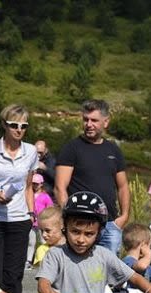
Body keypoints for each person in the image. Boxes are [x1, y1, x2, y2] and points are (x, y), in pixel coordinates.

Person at [54, 99, 130, 254]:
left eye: (94, 120)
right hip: (80, 226)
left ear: (106, 122)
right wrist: (68, 218)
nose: (88, 124)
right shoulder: (72, 148)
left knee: (108, 275)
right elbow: (59, 187)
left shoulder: (113, 150)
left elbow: (123, 186)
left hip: (109, 225)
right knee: (79, 272)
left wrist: (123, 217)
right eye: (85, 120)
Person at [0, 104, 37, 293]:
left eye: (23, 126)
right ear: (4, 125)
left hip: (19, 218)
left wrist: (31, 213)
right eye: (14, 125)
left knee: (13, 275)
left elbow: (28, 186)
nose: (19, 130)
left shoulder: (30, 151)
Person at [32, 205, 64, 293]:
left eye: (47, 230)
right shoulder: (42, 250)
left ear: (62, 227)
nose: (44, 235)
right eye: (41, 230)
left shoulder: (71, 249)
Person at [26, 173, 54, 269]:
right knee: (31, 242)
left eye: (36, 183)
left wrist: (46, 218)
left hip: (42, 223)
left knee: (43, 241)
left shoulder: (45, 196)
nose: (34, 185)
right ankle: (28, 260)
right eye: (33, 183)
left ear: (41, 184)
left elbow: (50, 208)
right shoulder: (29, 194)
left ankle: (45, 260)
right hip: (32, 222)